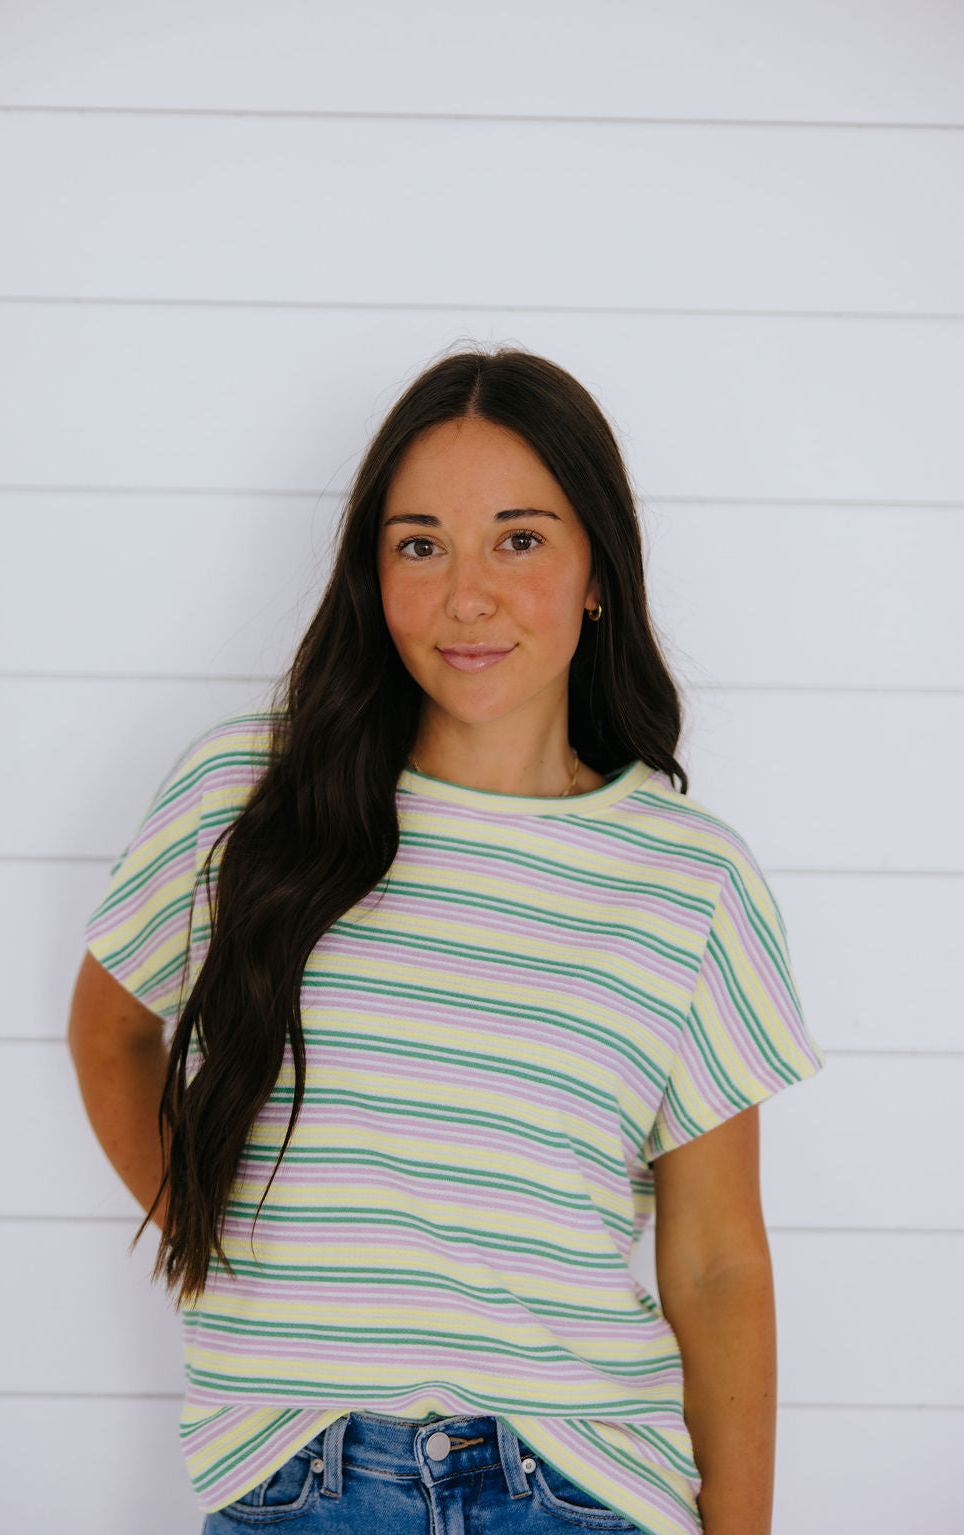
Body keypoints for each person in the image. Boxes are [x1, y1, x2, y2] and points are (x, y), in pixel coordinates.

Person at [68, 345, 824, 1535]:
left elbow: (717, 1259)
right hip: (297, 1484)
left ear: (596, 571)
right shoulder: (243, 798)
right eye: (420, 544)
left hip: (582, 1491)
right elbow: (111, 1031)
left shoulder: (691, 877)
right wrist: (231, 1245)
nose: (467, 594)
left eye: (518, 539)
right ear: (373, 574)